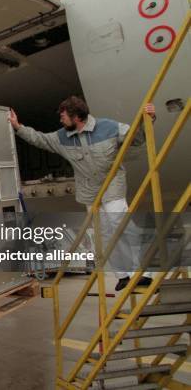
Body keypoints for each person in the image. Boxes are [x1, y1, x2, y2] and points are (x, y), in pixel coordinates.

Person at [9, 96, 156, 291]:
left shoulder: (109, 127)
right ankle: (123, 275)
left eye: (63, 117)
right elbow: (40, 139)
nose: (61, 120)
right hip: (90, 192)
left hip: (112, 185)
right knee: (103, 234)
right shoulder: (62, 137)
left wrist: (149, 119)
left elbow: (136, 138)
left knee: (120, 223)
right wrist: (18, 126)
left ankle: (143, 273)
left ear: (76, 117)